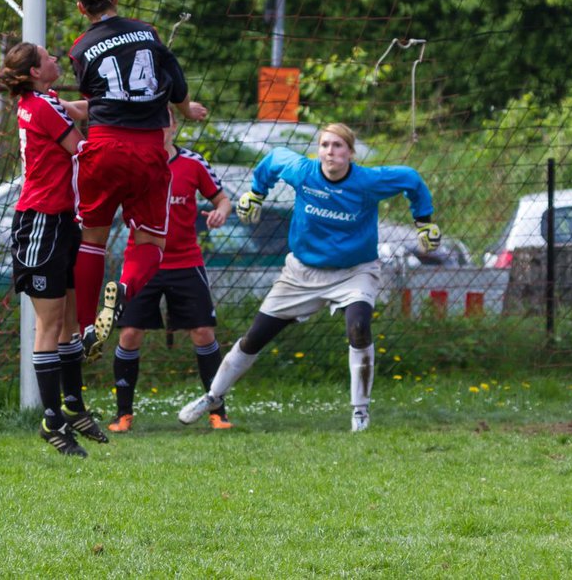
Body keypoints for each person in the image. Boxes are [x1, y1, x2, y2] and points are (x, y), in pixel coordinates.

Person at [177, 122, 441, 432]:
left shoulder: (368, 181)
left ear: (350, 153)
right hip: (301, 273)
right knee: (254, 338)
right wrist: (256, 193)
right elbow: (274, 158)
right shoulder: (303, 171)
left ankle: (360, 413)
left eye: (338, 146)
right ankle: (212, 396)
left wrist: (424, 222)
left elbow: (411, 179)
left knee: (358, 326)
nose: (330, 151)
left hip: (355, 271)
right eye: (326, 145)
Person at [64, 0, 208, 363]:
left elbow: (97, 96)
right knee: (149, 241)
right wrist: (184, 108)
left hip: (103, 145)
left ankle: (87, 325)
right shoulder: (147, 31)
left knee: (92, 238)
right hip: (148, 149)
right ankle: (123, 290)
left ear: (80, 7)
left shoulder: (79, 48)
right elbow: (174, 81)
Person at [0, 42, 110, 457]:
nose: (55, 60)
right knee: (48, 326)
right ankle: (50, 418)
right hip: (40, 223)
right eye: (47, 58)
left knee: (66, 323)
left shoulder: (42, 100)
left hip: (62, 221)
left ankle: (74, 404)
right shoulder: (42, 108)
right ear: (33, 71)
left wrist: (115, 101)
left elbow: (76, 108)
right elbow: (83, 148)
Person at [108, 113, 233, 433]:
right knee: (129, 334)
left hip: (185, 262)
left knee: (203, 333)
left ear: (173, 127)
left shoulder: (193, 163)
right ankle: (123, 414)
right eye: (151, 123)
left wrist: (220, 212)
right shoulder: (131, 162)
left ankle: (218, 410)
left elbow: (222, 200)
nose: (158, 130)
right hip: (142, 261)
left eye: (163, 124)